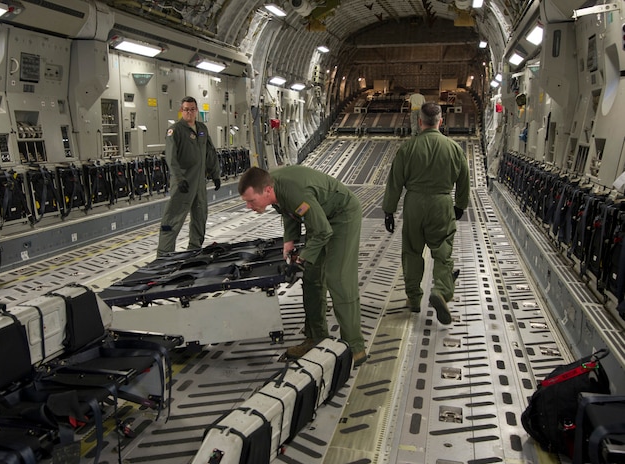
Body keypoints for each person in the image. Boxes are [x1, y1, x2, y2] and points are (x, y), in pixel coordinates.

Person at [238, 166, 367, 366]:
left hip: (342, 217)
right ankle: (316, 338)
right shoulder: (274, 188)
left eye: (251, 201)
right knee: (311, 278)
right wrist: (289, 240)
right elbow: (288, 210)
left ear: (267, 191)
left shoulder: (293, 191)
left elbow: (323, 231)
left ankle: (355, 348)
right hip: (321, 220)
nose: (249, 207)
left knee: (338, 279)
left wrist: (302, 259)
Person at [382, 102, 470, 324]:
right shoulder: (454, 148)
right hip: (442, 204)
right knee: (442, 252)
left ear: (420, 122)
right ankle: (441, 290)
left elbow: (395, 182)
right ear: (441, 121)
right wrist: (459, 205)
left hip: (414, 204)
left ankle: (413, 298)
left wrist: (389, 211)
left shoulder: (408, 148)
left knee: (412, 251)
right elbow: (464, 180)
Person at [157, 96, 221, 256]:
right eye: (186, 109)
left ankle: (194, 250)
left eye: (192, 109)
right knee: (172, 219)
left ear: (196, 110)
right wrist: (178, 179)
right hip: (183, 183)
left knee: (200, 217)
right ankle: (164, 254)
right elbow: (170, 158)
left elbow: (210, 153)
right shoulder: (175, 131)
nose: (189, 113)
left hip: (199, 183)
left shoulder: (202, 129)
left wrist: (215, 174)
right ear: (181, 111)